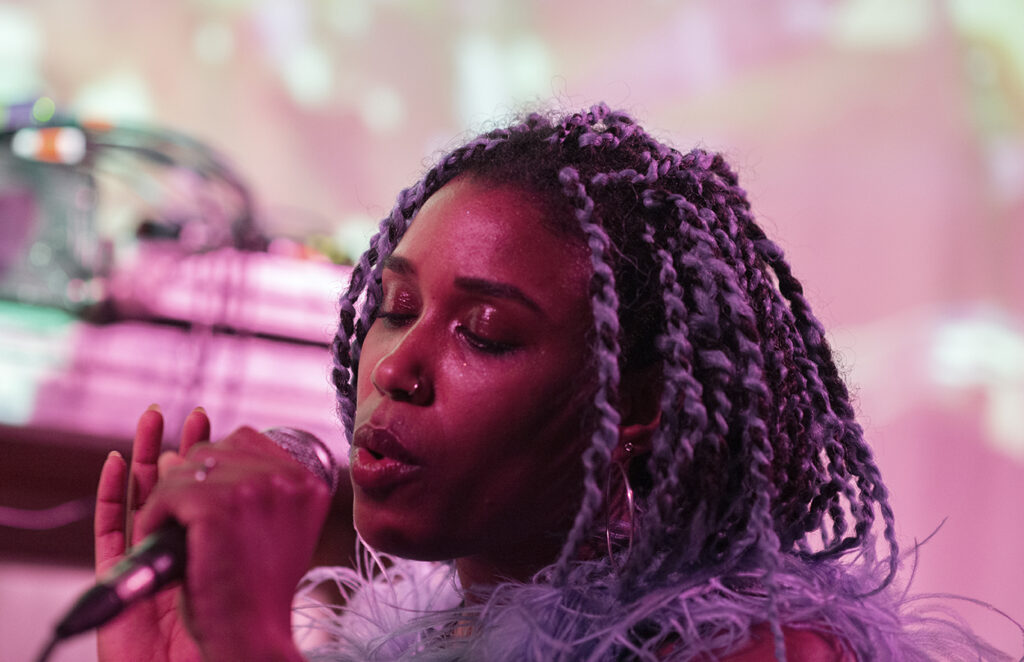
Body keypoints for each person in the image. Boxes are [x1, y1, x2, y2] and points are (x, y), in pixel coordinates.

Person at [94, 104, 1012, 661]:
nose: (398, 369)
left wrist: (252, 644)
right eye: (396, 308)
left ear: (639, 406)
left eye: (485, 333)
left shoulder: (769, 650)